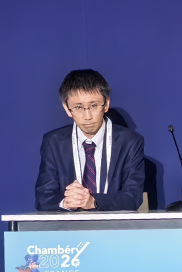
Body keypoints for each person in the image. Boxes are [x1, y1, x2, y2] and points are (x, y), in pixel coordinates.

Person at [35, 69, 145, 211]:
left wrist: (93, 202)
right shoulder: (53, 142)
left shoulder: (130, 141)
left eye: (93, 106)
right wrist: (66, 202)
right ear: (67, 108)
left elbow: (133, 197)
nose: (87, 116)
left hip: (112, 223)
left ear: (106, 104)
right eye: (78, 107)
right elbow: (43, 197)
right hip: (68, 224)